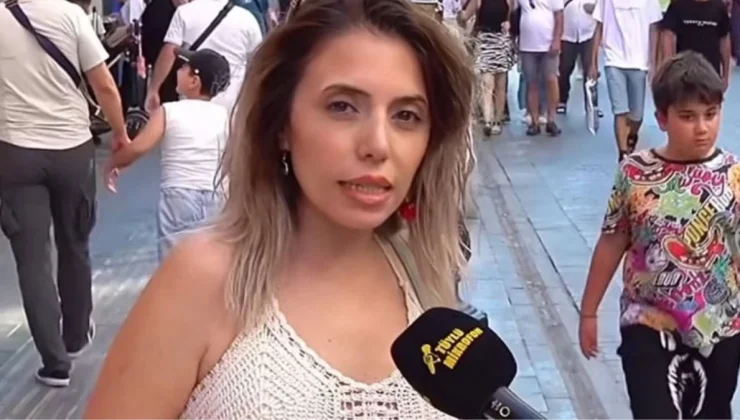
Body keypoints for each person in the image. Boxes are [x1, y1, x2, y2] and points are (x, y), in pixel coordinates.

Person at [84, 0, 474, 417]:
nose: (378, 145)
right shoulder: (202, 280)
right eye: (342, 106)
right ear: (282, 125)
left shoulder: (426, 273)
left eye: (407, 115)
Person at [579, 51, 740, 420]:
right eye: (688, 117)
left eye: (711, 114)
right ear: (662, 118)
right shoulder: (634, 173)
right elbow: (613, 240)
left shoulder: (732, 175)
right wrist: (589, 310)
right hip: (648, 322)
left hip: (719, 324)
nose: (702, 127)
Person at [0, 0, 128, 387]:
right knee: (75, 242)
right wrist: (121, 135)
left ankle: (55, 363)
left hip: (15, 152)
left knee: (32, 260)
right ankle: (75, 334)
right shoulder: (70, 15)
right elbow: (104, 85)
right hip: (73, 150)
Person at [105, 48, 230, 262]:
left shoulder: (169, 111)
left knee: (174, 262)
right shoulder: (225, 115)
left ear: (194, 81)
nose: (178, 71)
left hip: (178, 196)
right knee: (212, 260)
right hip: (217, 194)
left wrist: (113, 164)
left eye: (184, 68)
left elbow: (138, 148)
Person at [145, 0, 263, 114]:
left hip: (192, 98)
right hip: (230, 102)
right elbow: (257, 63)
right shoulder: (248, 19)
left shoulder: (185, 12)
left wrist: (154, 89)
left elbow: (170, 51)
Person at [590, 0, 663, 162]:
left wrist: (653, 61)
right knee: (620, 111)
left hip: (639, 61)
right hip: (614, 59)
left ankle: (632, 134)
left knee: (637, 115)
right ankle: (622, 154)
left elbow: (654, 29)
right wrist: (593, 62)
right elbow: (599, 26)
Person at [459, 0, 514, 137]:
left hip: (491, 42)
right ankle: (493, 121)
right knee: (496, 85)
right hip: (495, 41)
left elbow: (464, 16)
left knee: (491, 85)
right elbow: (510, 17)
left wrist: (458, 12)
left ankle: (491, 120)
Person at [660, 0, 732, 91]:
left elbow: (724, 41)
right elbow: (668, 37)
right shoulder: (677, 6)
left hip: (711, 75)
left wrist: (726, 76)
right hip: (683, 75)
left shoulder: (719, 7)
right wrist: (669, 71)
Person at [517, 0, 564, 136]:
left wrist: (557, 40)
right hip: (527, 45)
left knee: (551, 80)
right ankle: (534, 121)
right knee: (532, 82)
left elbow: (559, 15)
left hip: (548, 43)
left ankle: (551, 119)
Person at [557, 0, 599, 116]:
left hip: (589, 33)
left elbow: (603, 8)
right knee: (564, 68)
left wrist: (594, 8)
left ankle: (592, 104)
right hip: (567, 34)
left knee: (590, 70)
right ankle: (562, 100)